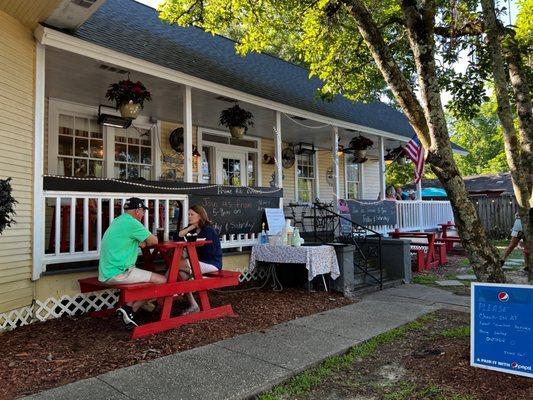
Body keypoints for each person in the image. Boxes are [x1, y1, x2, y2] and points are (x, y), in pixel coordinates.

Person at [98, 197, 167, 329]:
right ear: (137, 211)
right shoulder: (133, 223)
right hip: (120, 273)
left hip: (106, 272)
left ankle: (134, 307)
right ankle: (129, 309)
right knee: (162, 280)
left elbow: (139, 241)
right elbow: (154, 241)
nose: (143, 214)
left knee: (147, 278)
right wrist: (145, 241)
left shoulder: (118, 220)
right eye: (142, 212)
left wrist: (141, 241)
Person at [178, 205, 223, 315]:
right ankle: (194, 305)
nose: (189, 216)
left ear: (200, 216)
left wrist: (194, 246)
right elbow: (177, 236)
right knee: (179, 275)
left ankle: (159, 289)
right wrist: (189, 228)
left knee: (176, 265)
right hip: (196, 261)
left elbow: (210, 252)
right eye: (188, 214)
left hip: (211, 262)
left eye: (192, 214)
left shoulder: (208, 230)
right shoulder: (193, 228)